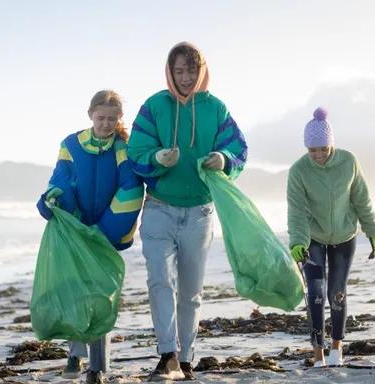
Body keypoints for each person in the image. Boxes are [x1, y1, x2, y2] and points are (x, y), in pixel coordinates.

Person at [127, 41, 248, 381]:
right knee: (160, 281)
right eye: (178, 71)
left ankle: (187, 358)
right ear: (170, 71)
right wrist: (156, 157)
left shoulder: (215, 108)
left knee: (191, 290)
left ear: (201, 71)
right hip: (159, 208)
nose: (184, 78)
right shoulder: (155, 105)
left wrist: (222, 159)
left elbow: (237, 147)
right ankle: (167, 355)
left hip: (199, 212)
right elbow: (137, 147)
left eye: (190, 71)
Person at [36, 90, 143, 384]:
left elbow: (131, 188)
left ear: (119, 119)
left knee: (99, 295)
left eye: (112, 119)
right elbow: (61, 179)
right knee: (74, 292)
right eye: (101, 118)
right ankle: (75, 353)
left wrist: (106, 232)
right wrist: (54, 201)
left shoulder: (122, 147)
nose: (106, 124)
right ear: (90, 115)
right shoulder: (71, 144)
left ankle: (96, 367)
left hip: (105, 235)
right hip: (77, 231)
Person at [287, 107, 375, 368]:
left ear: (331, 144)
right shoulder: (298, 171)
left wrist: (372, 230)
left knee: (336, 292)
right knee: (315, 293)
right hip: (313, 238)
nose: (318, 155)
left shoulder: (349, 162)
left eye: (323, 149)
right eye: (312, 150)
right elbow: (296, 211)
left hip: (343, 236)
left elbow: (362, 199)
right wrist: (297, 242)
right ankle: (318, 353)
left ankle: (337, 348)